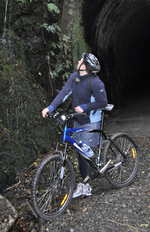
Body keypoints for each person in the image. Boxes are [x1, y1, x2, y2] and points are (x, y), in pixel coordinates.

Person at [42, 52, 108, 198]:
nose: (77, 60)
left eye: (80, 60)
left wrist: (85, 107)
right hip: (78, 120)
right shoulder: (74, 77)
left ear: (84, 65)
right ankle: (85, 180)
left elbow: (103, 102)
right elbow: (64, 93)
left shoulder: (96, 83)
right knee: (80, 150)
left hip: (91, 121)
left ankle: (87, 184)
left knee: (84, 151)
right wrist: (50, 108)